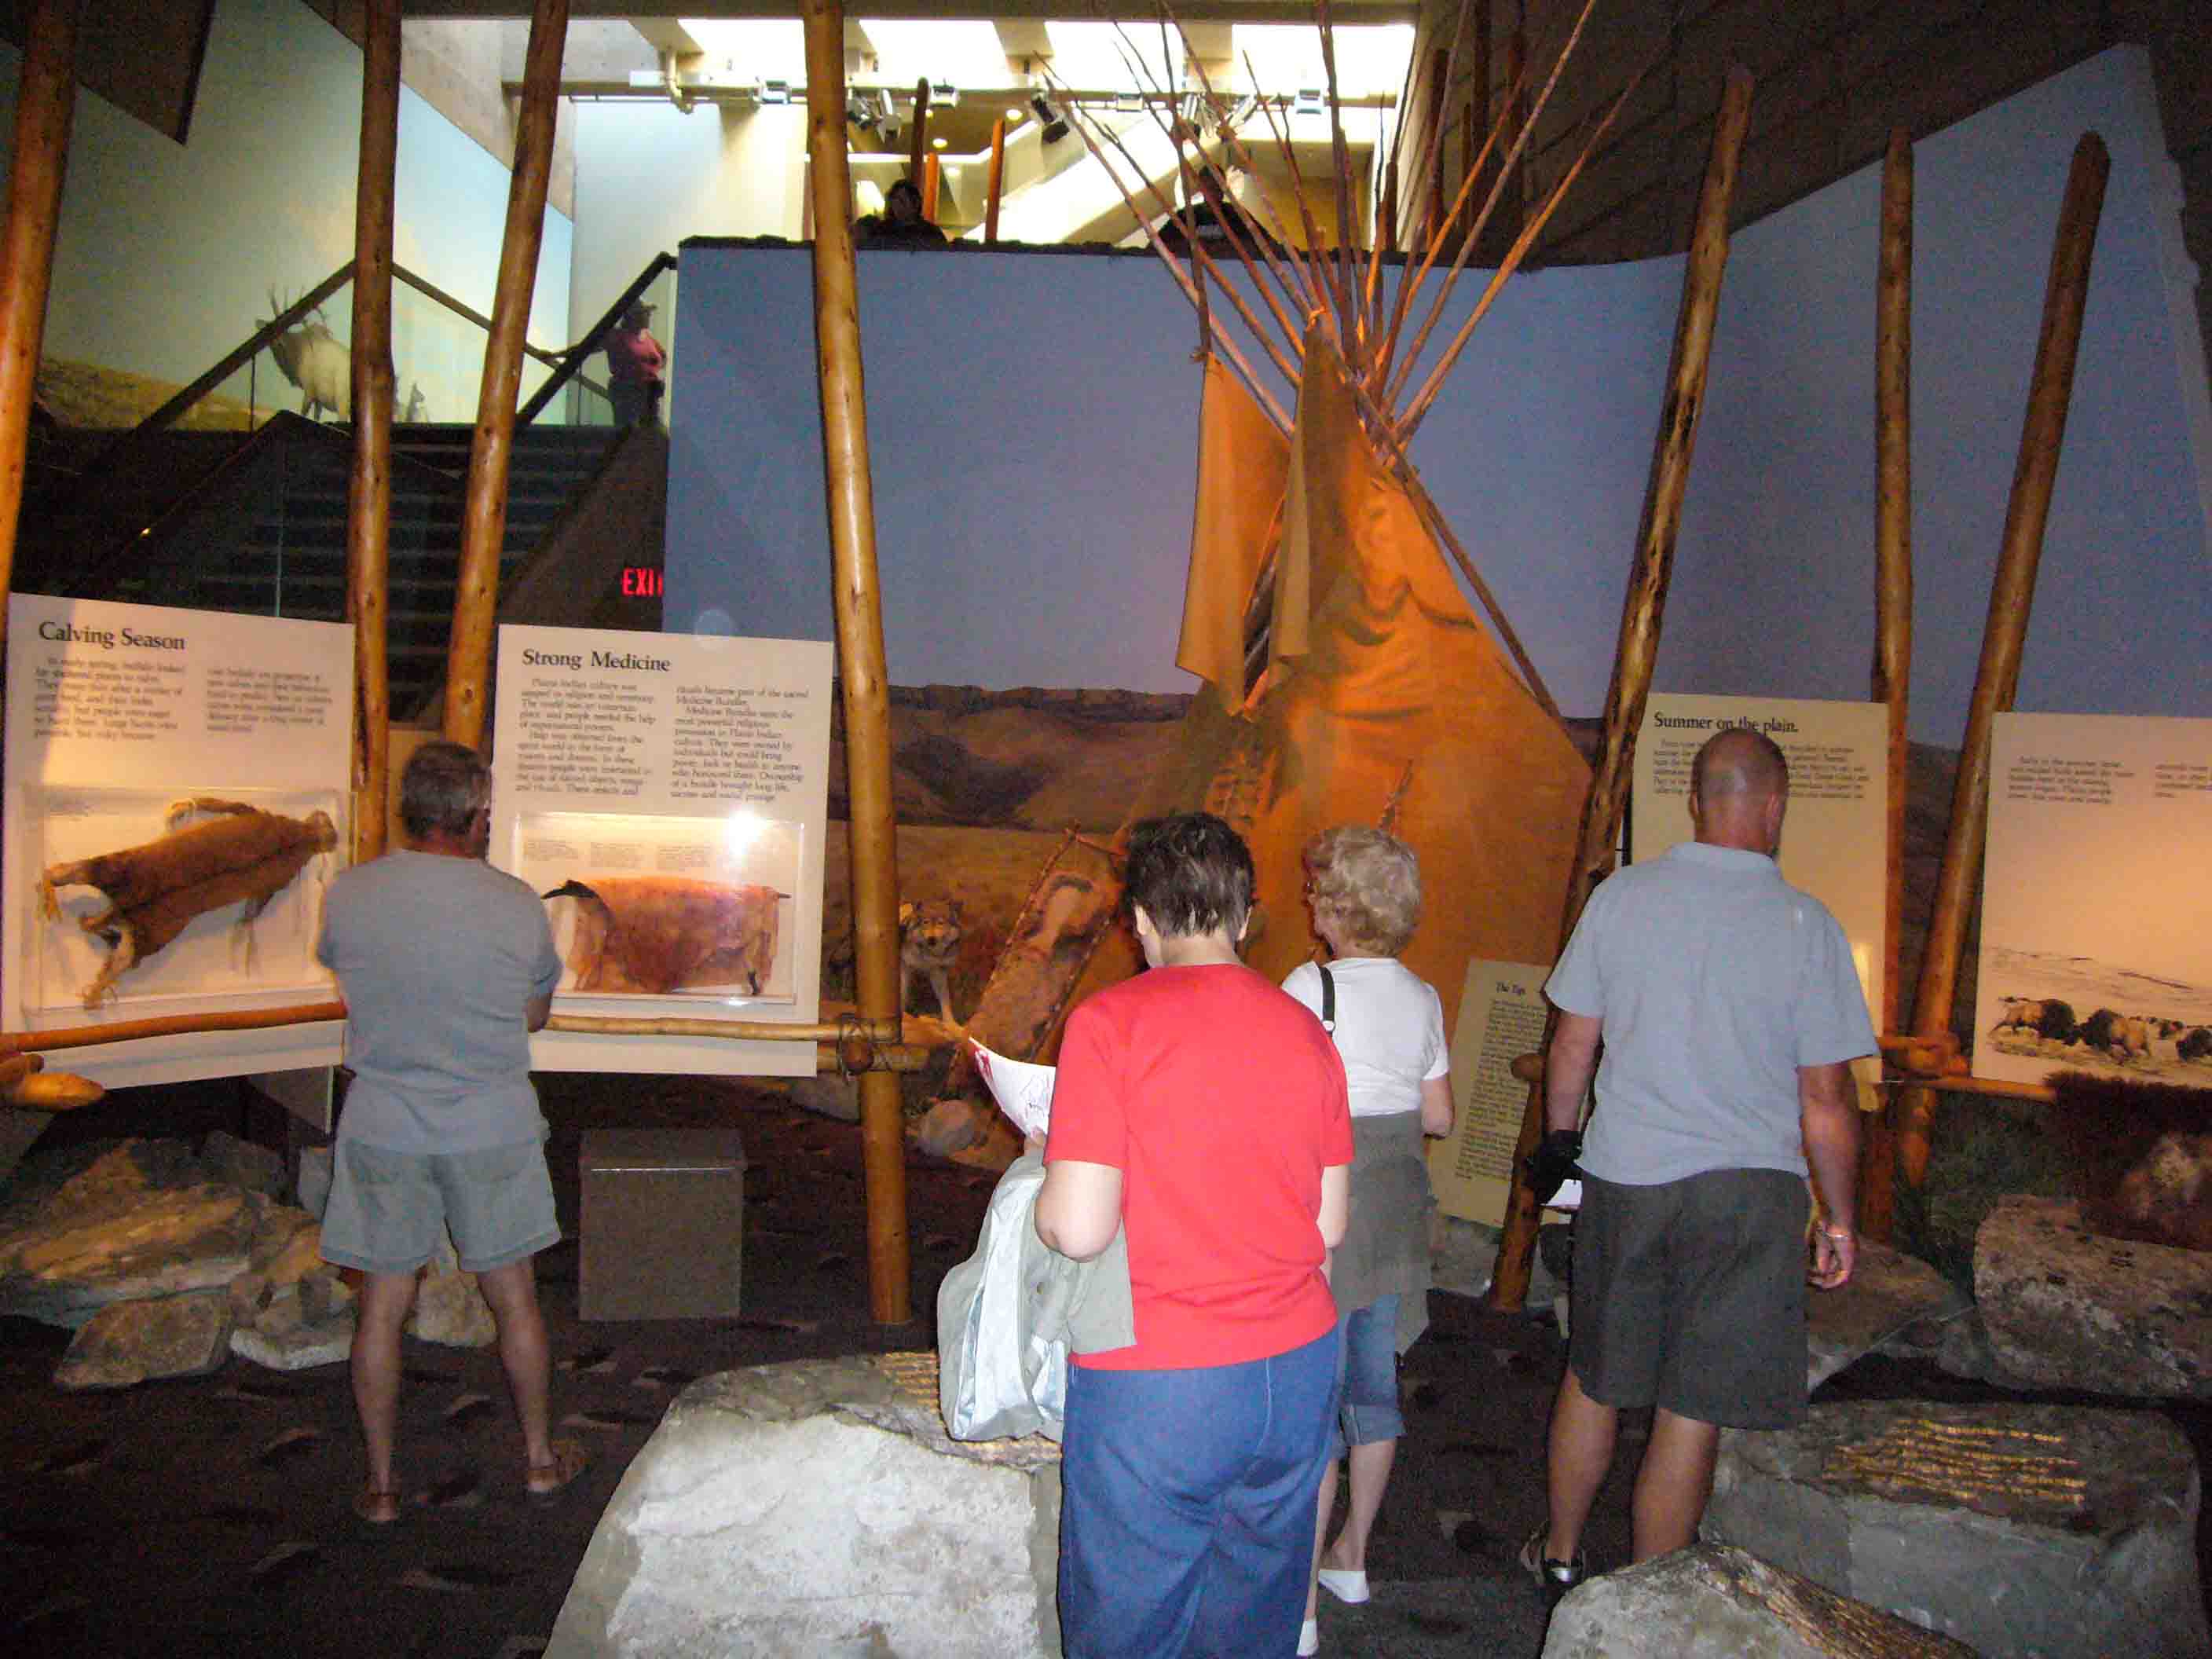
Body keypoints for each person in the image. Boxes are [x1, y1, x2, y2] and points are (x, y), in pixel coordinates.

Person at [1522, 726, 1874, 1613]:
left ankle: (1560, 1554)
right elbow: (1825, 1098)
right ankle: (1645, 1600)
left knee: (1594, 1374)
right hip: (1748, 1195)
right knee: (1690, 1405)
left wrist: (1561, 1146)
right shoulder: (1807, 924)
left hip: (1628, 1176)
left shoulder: (1622, 899)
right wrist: (1836, 1215)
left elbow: (1572, 1040)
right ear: (1773, 806)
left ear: (1694, 800)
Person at [1037, 811, 1354, 1657]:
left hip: (1161, 1382)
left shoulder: (1109, 1024)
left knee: (1129, 1629)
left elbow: (1075, 1229)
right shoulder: (1305, 1031)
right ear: (1245, 917)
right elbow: (1327, 1226)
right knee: (1251, 1622)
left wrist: (1045, 1179)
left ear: (1139, 921)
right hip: (1295, 1373)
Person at [316, 741, 584, 1525]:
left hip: (384, 1122)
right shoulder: (514, 904)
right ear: (473, 816)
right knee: (516, 1302)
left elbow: (348, 978)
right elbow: (532, 1015)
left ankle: (381, 1486)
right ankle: (538, 1461)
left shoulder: (351, 894)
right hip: (489, 1124)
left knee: (380, 1307)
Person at [1280, 826, 1455, 1658]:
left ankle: (1299, 1610)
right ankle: (1352, 1559)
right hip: (1396, 1201)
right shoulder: (1422, 996)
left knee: (1312, 1399)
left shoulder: (1306, 988)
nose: (1308, 900)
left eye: (1317, 888)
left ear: (1336, 907)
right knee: (1372, 1383)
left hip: (1323, 1200)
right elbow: (1438, 1117)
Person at [603, 300, 665, 427]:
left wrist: (651, 373)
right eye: (645, 313)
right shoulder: (617, 335)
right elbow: (588, 347)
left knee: (651, 434)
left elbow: (663, 357)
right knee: (629, 432)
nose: (649, 316)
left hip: (649, 396)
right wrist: (557, 355)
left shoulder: (647, 337)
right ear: (633, 316)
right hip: (627, 393)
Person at [858, 178, 949, 248]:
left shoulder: (930, 233)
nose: (898, 207)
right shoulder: (882, 231)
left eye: (902, 201)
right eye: (894, 202)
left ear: (915, 203)